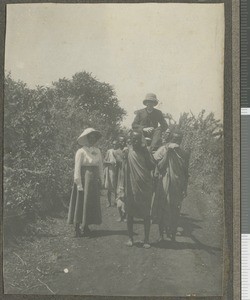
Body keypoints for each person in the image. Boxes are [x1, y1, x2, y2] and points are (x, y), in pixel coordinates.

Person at [151, 129, 189, 242]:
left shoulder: (183, 153)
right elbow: (160, 167)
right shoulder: (163, 149)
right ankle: (161, 235)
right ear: (170, 139)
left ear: (181, 141)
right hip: (164, 183)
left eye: (179, 139)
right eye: (174, 138)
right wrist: (167, 152)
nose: (176, 141)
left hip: (177, 185)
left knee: (175, 210)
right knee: (162, 208)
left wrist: (185, 188)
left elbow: (186, 173)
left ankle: (172, 235)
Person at [67, 128, 104, 237]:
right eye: (90, 138)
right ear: (86, 138)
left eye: (94, 138)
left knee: (90, 202)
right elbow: (77, 168)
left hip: (93, 179)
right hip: (84, 178)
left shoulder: (97, 151)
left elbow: (100, 166)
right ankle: (77, 228)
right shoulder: (81, 151)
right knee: (80, 201)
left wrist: (101, 179)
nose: (93, 140)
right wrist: (78, 183)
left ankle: (86, 226)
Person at [122, 131, 155, 248]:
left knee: (146, 214)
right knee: (130, 213)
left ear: (141, 140)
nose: (135, 141)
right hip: (131, 186)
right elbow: (122, 167)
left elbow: (152, 166)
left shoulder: (145, 151)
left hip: (144, 186)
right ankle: (130, 238)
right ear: (130, 139)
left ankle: (146, 240)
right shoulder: (127, 151)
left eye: (137, 139)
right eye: (133, 139)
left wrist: (147, 153)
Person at [113, 136, 127, 222]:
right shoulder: (115, 152)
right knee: (119, 194)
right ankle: (120, 215)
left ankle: (125, 215)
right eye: (120, 141)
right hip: (120, 175)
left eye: (123, 141)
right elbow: (117, 166)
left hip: (127, 174)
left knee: (126, 195)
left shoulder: (128, 150)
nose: (121, 142)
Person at [104, 140, 119, 207]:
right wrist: (110, 163)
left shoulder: (119, 151)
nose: (114, 145)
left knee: (116, 186)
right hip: (110, 170)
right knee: (109, 187)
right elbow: (104, 160)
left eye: (115, 144)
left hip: (117, 170)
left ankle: (116, 201)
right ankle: (108, 202)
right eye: (113, 144)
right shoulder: (109, 151)